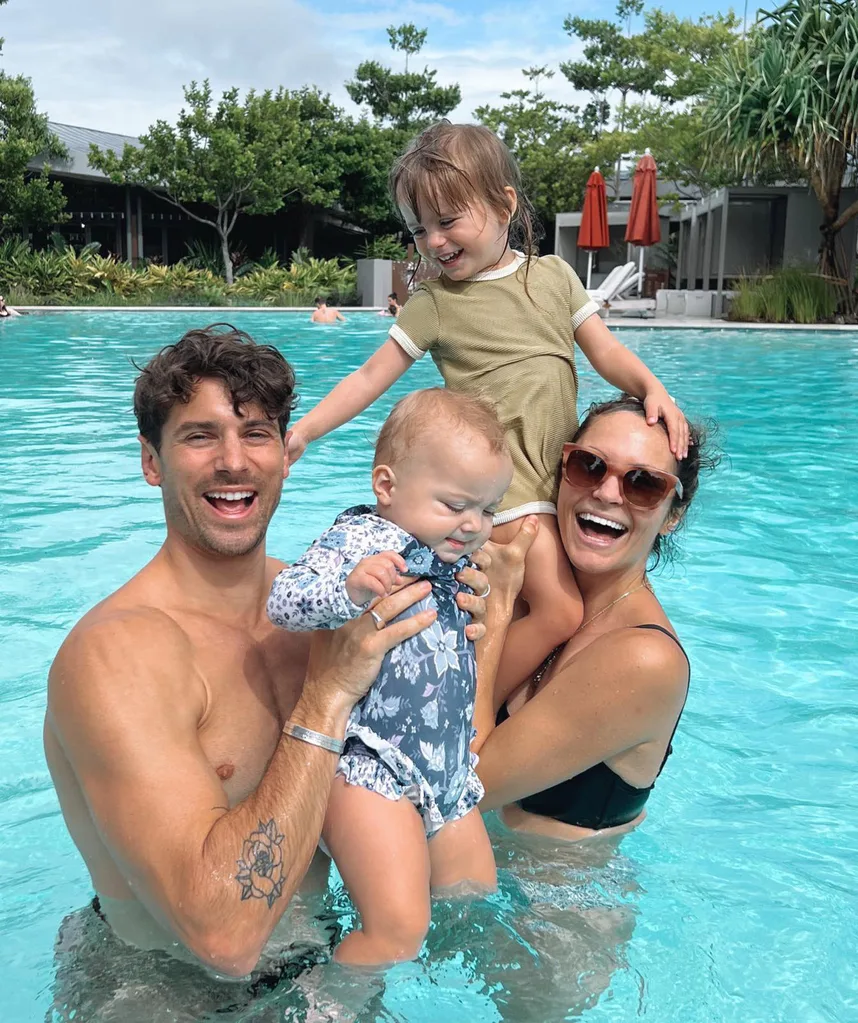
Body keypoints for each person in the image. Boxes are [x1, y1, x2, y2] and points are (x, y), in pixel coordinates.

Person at [43, 325, 489, 986]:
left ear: (285, 455)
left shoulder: (336, 605)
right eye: (200, 436)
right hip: (163, 991)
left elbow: (440, 761)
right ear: (151, 462)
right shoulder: (117, 657)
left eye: (256, 434)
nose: (234, 461)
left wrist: (470, 628)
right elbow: (224, 938)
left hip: (322, 967)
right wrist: (327, 695)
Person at [287, 122, 689, 705]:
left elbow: (604, 351)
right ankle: (462, 707)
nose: (433, 241)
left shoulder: (552, 278)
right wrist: (306, 430)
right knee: (559, 610)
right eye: (419, 229)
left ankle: (494, 706)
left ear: (504, 205)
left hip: (552, 481)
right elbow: (370, 377)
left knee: (522, 609)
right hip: (504, 492)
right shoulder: (435, 303)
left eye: (448, 221)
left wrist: (652, 387)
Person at [268, 388, 511, 965]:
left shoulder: (455, 554)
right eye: (455, 505)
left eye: (489, 509)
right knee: (397, 930)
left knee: (473, 900)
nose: (473, 524)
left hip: (446, 769)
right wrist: (349, 589)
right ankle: (323, 1001)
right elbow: (283, 600)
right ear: (386, 486)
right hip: (372, 765)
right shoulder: (360, 541)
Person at [471, 394, 717, 841]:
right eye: (589, 466)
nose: (606, 493)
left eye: (643, 484)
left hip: (554, 886)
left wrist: (501, 605)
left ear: (672, 516)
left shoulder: (644, 659)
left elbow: (458, 786)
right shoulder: (541, 595)